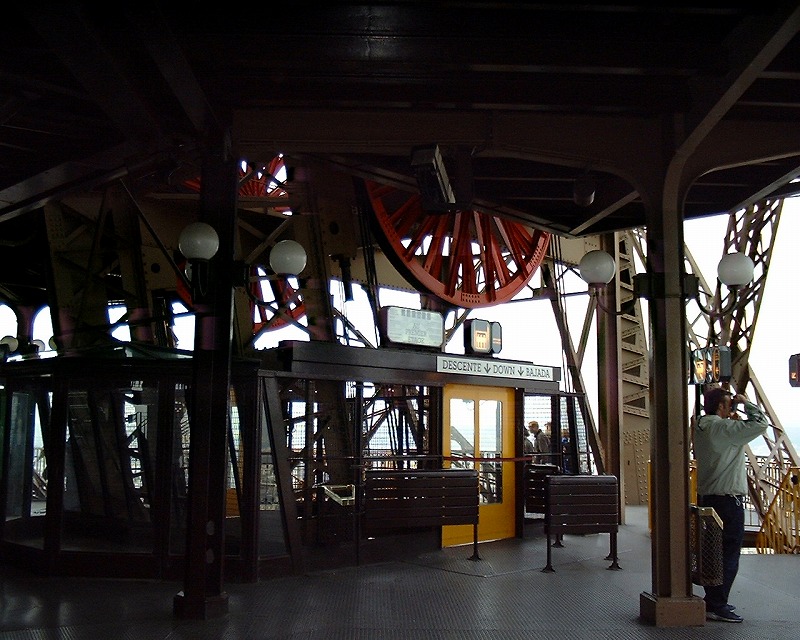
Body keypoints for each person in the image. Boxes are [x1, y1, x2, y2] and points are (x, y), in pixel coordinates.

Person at [693, 386, 768, 623]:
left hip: (707, 498)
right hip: (728, 501)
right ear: (721, 406)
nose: (731, 408)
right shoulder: (725, 429)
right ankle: (718, 604)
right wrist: (746, 403)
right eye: (729, 404)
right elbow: (761, 424)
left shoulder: (699, 426)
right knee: (729, 553)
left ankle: (712, 598)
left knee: (712, 552)